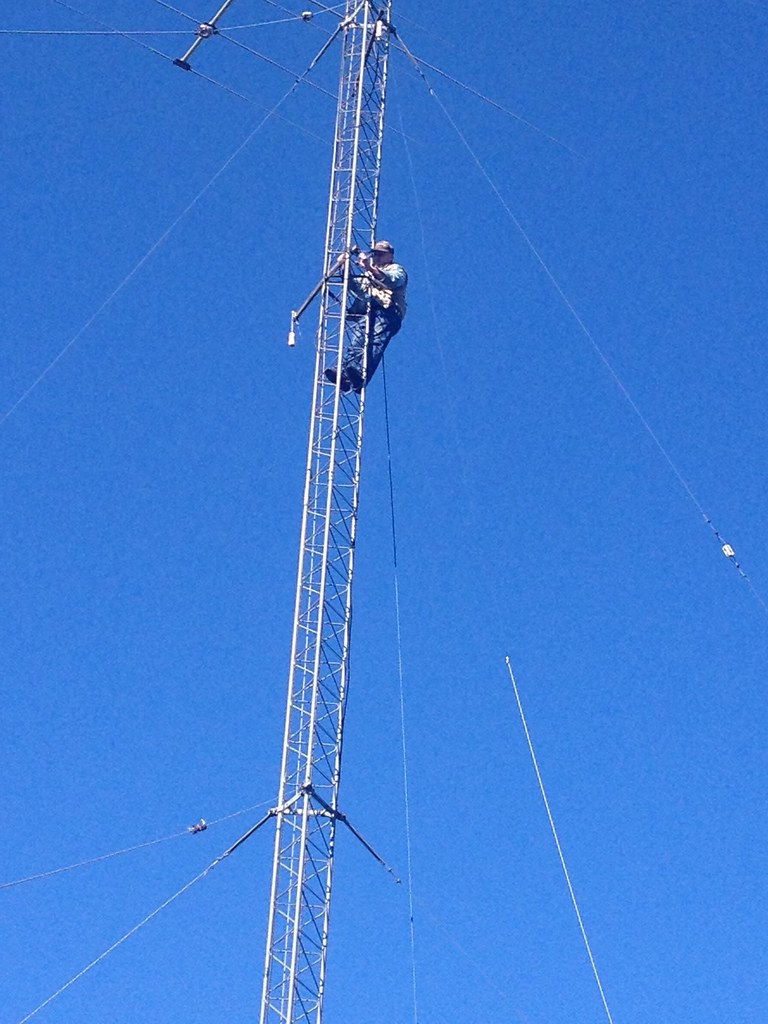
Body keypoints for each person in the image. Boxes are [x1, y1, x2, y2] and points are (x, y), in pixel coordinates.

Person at [324, 240, 407, 393]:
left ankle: (361, 377)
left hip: (388, 312)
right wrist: (344, 266)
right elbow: (354, 285)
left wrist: (369, 267)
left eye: (381, 254)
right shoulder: (367, 276)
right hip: (368, 312)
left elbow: (391, 281)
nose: (377, 257)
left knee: (375, 343)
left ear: (390, 256)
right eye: (375, 254)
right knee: (357, 342)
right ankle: (345, 375)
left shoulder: (396, 270)